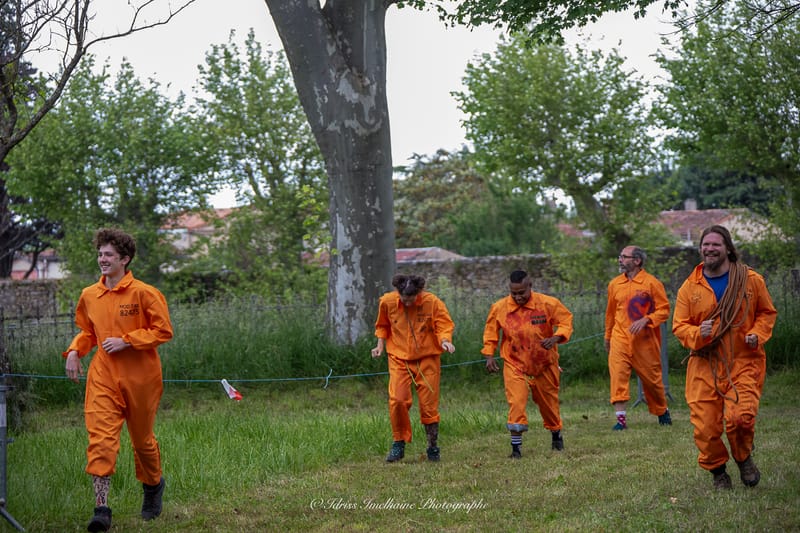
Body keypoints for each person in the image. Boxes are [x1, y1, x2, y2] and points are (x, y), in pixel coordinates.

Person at [64, 228, 173, 532]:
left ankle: (153, 486)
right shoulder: (89, 295)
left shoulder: (144, 293)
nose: (102, 259)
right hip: (103, 377)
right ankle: (102, 509)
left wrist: (128, 340)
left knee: (143, 442)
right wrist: (74, 351)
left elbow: (163, 331)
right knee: (101, 441)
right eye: (100, 254)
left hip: (142, 379)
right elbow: (87, 332)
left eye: (109, 254)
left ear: (124, 259)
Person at [673, 225, 777, 490]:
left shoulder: (750, 279)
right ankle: (718, 471)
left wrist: (757, 333)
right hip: (704, 363)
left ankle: (743, 458)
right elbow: (679, 326)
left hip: (743, 361)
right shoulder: (689, 286)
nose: (709, 249)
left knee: (740, 417)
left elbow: (766, 312)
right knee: (705, 429)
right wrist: (699, 332)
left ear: (728, 248)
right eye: (705, 244)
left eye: (715, 244)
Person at [482, 270, 573, 457]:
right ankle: (516, 449)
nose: (518, 297)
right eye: (513, 293)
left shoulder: (548, 303)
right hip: (515, 363)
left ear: (530, 286)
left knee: (549, 404)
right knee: (516, 402)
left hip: (545, 364)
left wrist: (556, 337)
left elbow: (566, 321)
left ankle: (556, 434)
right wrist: (489, 355)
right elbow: (491, 333)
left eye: (521, 292)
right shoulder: (500, 308)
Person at [371, 274, 455, 462]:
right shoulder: (387, 302)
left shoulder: (432, 302)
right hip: (398, 358)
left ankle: (432, 447)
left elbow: (444, 324)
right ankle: (398, 443)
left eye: (412, 299)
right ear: (398, 293)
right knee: (397, 400)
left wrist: (445, 341)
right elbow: (382, 326)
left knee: (428, 405)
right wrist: (379, 347)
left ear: (419, 292)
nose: (408, 303)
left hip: (428, 359)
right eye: (404, 299)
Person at [604, 245, 672, 430]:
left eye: (624, 257)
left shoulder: (652, 283)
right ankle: (621, 421)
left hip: (645, 342)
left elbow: (664, 310)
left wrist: (647, 319)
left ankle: (662, 410)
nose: (620, 260)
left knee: (652, 381)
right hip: (619, 339)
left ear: (637, 260)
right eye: (620, 256)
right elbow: (610, 314)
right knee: (617, 376)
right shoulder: (614, 284)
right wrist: (608, 337)